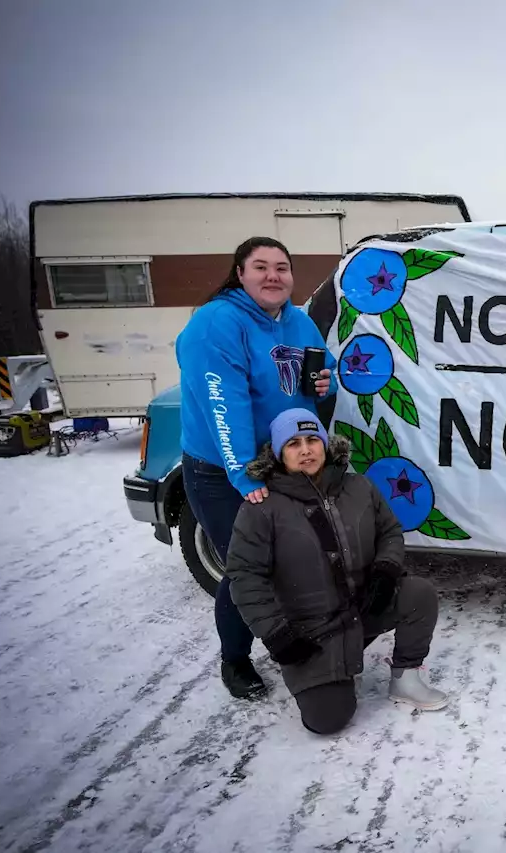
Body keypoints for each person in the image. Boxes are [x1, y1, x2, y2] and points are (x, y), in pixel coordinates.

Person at [176, 237, 337, 699]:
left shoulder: (298, 322)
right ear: (240, 273)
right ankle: (235, 659)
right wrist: (246, 474)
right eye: (261, 267)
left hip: (281, 462)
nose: (273, 276)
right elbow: (223, 405)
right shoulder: (216, 322)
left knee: (295, 557)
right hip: (221, 469)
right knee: (248, 568)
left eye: (282, 268)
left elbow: (315, 378)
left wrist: (324, 384)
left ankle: (299, 633)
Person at [225, 409, 449, 735]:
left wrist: (386, 571)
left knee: (419, 594)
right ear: (277, 453)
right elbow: (244, 576)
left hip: (361, 609)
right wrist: (277, 634)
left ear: (326, 445)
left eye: (313, 439)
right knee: (328, 720)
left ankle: (406, 678)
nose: (306, 450)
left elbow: (389, 531)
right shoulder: (261, 508)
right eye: (293, 444)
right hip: (312, 633)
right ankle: (329, 671)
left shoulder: (358, 486)